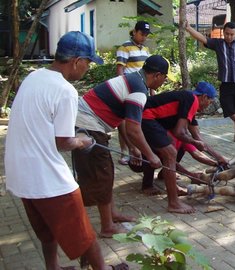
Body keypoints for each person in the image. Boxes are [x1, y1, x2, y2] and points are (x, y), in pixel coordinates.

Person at [4, 31, 127, 270]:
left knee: (46, 230)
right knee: (84, 232)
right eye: (88, 63)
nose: (87, 68)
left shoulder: (34, 77)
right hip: (45, 176)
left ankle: (54, 267)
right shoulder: (66, 91)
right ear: (76, 61)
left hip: (20, 173)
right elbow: (64, 142)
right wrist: (84, 140)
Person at [72, 55, 168, 237]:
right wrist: (151, 155)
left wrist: (133, 148)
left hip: (89, 122)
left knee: (106, 171)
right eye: (164, 78)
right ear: (156, 75)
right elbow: (134, 129)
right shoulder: (139, 90)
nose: (163, 82)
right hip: (87, 124)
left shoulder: (134, 80)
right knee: (102, 173)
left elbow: (123, 120)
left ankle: (112, 214)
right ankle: (107, 226)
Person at [138, 82, 227, 213]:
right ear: (203, 97)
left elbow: (198, 138)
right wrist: (194, 143)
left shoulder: (189, 105)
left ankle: (173, 188)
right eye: (210, 101)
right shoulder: (191, 100)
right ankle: (173, 203)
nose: (209, 105)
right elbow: (180, 132)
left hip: (151, 120)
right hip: (145, 117)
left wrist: (219, 158)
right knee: (170, 153)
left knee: (170, 150)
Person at [184, 21, 235, 144]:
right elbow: (203, 38)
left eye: (232, 34)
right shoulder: (218, 44)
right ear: (223, 33)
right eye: (227, 34)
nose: (229, 37)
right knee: (227, 107)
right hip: (226, 83)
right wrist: (189, 29)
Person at [116, 21, 152, 165]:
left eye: (146, 35)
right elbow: (120, 68)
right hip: (127, 88)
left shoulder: (146, 50)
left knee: (136, 121)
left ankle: (136, 149)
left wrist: (151, 90)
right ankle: (124, 152)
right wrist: (121, 86)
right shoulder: (125, 47)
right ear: (135, 32)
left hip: (142, 90)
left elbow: (149, 73)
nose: (144, 37)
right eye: (142, 34)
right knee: (123, 121)